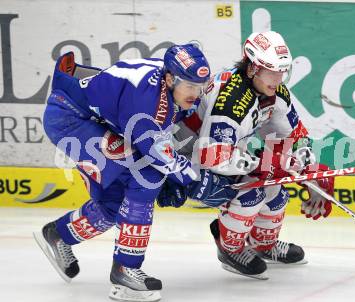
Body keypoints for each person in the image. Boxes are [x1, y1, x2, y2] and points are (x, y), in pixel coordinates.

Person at [33, 44, 237, 301]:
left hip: (94, 121)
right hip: (71, 121)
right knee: (146, 177)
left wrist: (193, 171)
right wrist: (195, 180)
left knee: (116, 203)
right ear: (171, 78)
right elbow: (158, 155)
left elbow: (170, 139)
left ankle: (59, 234)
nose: (196, 95)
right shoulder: (145, 102)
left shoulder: (167, 87)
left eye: (200, 86)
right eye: (190, 86)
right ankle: (125, 271)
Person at [173, 31, 335, 280]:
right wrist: (260, 164)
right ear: (251, 69)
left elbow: (292, 136)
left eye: (283, 71)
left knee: (276, 192)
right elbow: (211, 158)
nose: (278, 79)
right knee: (252, 193)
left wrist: (308, 169)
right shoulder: (232, 100)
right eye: (271, 71)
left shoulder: (273, 92)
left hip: (219, 154)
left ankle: (263, 244)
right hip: (182, 163)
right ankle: (229, 249)